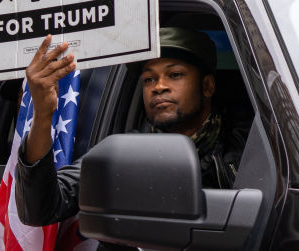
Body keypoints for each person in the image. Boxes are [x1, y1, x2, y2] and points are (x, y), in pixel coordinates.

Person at [14, 25, 248, 227]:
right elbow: (40, 210)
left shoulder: (250, 143)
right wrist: (44, 115)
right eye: (149, 79)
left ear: (207, 86)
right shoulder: (125, 154)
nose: (159, 87)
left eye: (175, 74)